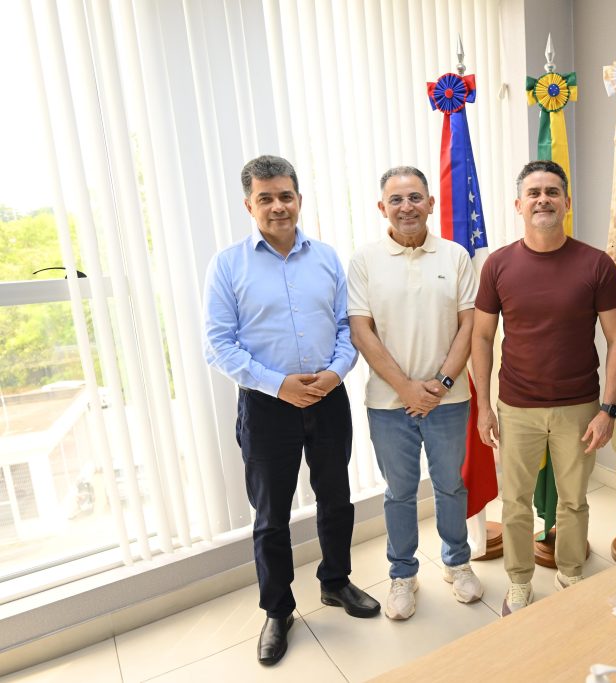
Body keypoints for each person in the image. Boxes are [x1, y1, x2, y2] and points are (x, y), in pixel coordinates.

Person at [204, 155, 380, 666]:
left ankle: (336, 582)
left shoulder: (325, 257)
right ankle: (278, 611)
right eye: (266, 198)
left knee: (336, 499)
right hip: (266, 406)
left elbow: (347, 327)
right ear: (249, 205)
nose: (278, 206)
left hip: (327, 397)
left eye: (286, 196)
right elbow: (218, 344)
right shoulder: (228, 265)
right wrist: (278, 385)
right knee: (271, 516)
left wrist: (335, 373)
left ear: (299, 199)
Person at [472, 160, 616, 616]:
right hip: (517, 407)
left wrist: (609, 409)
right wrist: (485, 408)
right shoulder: (498, 265)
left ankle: (571, 574)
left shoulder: (596, 264)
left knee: (574, 501)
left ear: (566, 202)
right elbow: (481, 337)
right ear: (519, 204)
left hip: (579, 407)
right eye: (534, 192)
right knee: (515, 502)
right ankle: (519, 582)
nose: (543, 199)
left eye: (552, 192)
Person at [348, 166, 484, 621]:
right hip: (389, 405)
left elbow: (470, 324)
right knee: (400, 493)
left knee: (450, 485)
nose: (406, 207)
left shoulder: (455, 256)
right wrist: (407, 388)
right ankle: (403, 575)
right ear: (382, 207)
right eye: (396, 199)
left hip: (450, 400)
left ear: (430, 203)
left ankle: (457, 563)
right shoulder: (365, 260)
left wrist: (440, 384)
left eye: (414, 198)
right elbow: (361, 331)